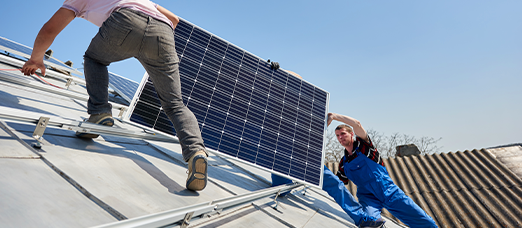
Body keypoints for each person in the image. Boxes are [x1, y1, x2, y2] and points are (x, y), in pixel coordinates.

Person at [21, 0, 208, 191]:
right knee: (175, 104)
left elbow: (50, 29)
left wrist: (36, 58)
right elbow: (174, 20)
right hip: (163, 30)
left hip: (126, 20)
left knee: (95, 59)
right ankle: (196, 152)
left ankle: (100, 113)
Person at [324, 112, 438, 228]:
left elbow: (357, 124)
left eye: (343, 134)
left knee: (423, 221)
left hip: (388, 192)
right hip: (368, 198)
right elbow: (338, 184)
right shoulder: (344, 163)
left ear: (352, 134)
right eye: (337, 135)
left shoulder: (365, 147)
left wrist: (334, 117)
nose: (340, 137)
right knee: (371, 224)